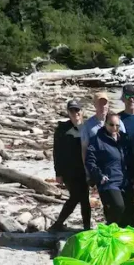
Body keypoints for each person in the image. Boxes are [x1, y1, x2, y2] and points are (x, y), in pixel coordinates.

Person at [86, 112, 134, 228]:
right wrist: (99, 176)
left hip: (125, 180)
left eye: (117, 125)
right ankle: (108, 230)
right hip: (109, 181)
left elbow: (131, 159)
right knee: (118, 206)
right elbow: (90, 161)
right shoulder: (97, 140)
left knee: (129, 212)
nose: (114, 128)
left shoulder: (124, 139)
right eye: (111, 125)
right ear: (105, 124)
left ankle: (121, 236)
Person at [50, 99, 91, 231]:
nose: (75, 113)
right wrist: (58, 173)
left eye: (77, 110)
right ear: (68, 112)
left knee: (84, 199)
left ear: (82, 111)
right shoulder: (62, 130)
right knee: (75, 196)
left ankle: (86, 227)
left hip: (84, 170)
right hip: (68, 171)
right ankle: (58, 223)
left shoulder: (87, 127)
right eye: (72, 110)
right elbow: (57, 153)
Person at [81, 91, 117, 162]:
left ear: (108, 105)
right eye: (100, 104)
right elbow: (84, 149)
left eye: (105, 103)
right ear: (94, 105)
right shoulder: (87, 125)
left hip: (114, 167)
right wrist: (86, 168)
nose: (103, 106)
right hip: (97, 165)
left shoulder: (117, 122)